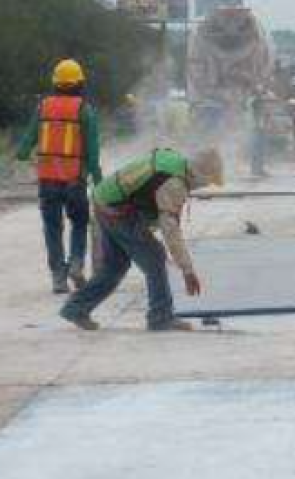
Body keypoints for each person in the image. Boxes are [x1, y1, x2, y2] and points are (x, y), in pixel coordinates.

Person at [59, 147, 223, 332]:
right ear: (199, 174)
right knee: (155, 258)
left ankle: (75, 308)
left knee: (114, 267)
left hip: (104, 202)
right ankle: (160, 318)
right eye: (207, 181)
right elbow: (170, 229)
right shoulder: (174, 184)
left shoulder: (175, 162)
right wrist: (187, 269)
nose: (205, 185)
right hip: (120, 212)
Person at [17, 59, 102, 294]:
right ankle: (76, 263)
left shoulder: (43, 106)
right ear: (79, 83)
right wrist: (99, 182)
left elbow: (24, 148)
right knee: (79, 223)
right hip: (75, 180)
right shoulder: (84, 109)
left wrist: (30, 156)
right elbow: (93, 153)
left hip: (47, 180)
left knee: (52, 228)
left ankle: (58, 277)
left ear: (56, 83)